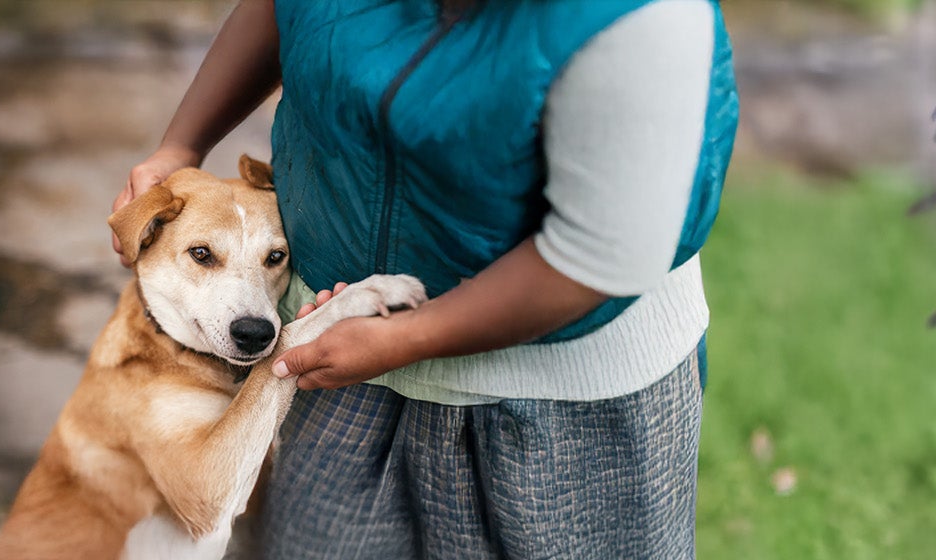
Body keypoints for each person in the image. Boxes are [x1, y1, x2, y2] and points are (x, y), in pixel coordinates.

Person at [112, 0, 737, 557]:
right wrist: (181, 146)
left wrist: (400, 339)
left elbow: (599, 254)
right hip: (335, 347)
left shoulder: (646, 16)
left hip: (558, 396)